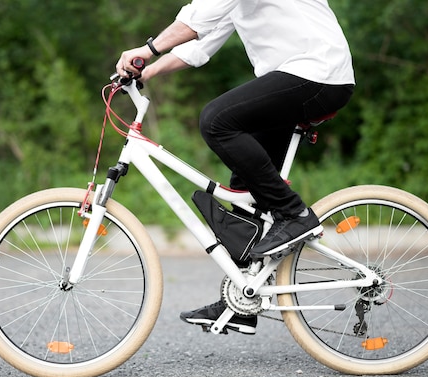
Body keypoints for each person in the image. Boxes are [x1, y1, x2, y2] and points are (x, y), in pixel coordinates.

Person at [116, 0, 355, 335]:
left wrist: (148, 49)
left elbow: (198, 18)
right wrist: (147, 71)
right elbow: (201, 44)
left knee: (216, 121)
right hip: (300, 76)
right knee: (245, 187)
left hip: (317, 72)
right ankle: (242, 298)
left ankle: (294, 214)